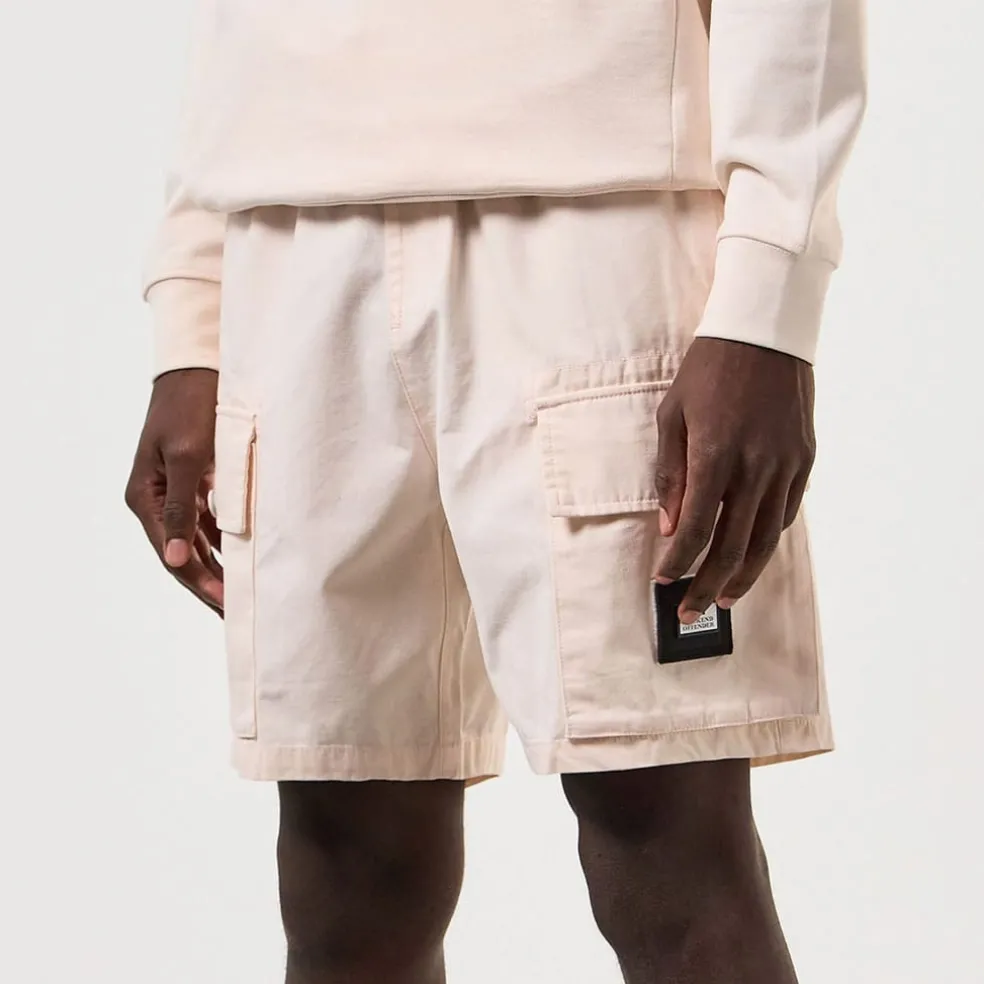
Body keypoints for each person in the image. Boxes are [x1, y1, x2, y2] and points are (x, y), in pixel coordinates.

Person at [125, 1, 866, 981]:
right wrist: (192, 306)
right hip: (292, 249)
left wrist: (766, 306)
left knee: (665, 838)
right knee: (342, 867)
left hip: (596, 229)